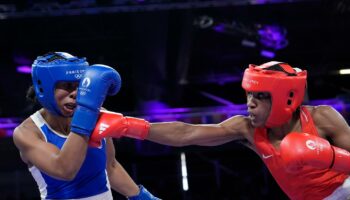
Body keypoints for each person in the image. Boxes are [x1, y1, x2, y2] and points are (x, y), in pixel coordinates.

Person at [90, 61, 350, 200]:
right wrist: (128, 125)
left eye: (260, 96)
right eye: (248, 95)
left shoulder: (322, 118)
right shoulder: (247, 128)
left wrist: (329, 157)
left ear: (285, 98)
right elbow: (186, 133)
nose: (250, 103)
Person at [12, 52, 160, 200]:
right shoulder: (27, 133)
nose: (76, 94)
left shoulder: (98, 115)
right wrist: (86, 114)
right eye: (68, 86)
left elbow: (110, 166)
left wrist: (140, 196)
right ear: (45, 88)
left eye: (81, 85)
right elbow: (64, 170)